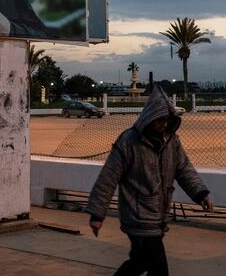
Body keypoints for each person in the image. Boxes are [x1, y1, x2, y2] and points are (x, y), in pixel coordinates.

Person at [86, 85, 214, 276]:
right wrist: (97, 214)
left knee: (140, 262)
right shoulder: (129, 141)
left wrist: (200, 194)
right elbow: (108, 177)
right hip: (137, 215)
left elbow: (184, 169)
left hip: (158, 216)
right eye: (160, 120)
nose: (164, 124)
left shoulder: (171, 141)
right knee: (156, 266)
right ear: (150, 117)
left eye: (167, 120)